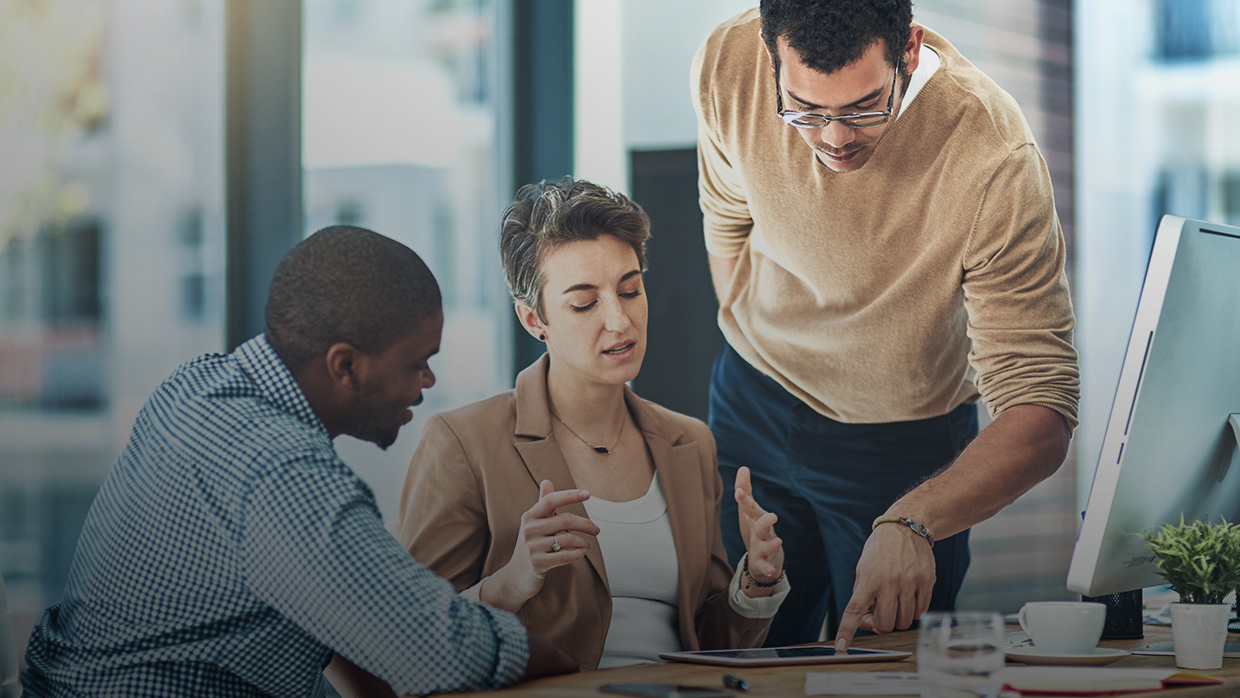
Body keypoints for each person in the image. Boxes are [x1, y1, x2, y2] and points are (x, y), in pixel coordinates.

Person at [21, 226, 575, 698]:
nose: (428, 383)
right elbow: (436, 650)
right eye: (416, 364)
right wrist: (564, 668)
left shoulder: (195, 385)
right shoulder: (281, 472)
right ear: (344, 365)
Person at [691, 0, 1080, 650]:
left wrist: (917, 521)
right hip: (751, 407)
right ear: (769, 54)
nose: (835, 137)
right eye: (807, 110)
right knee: (737, 654)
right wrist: (768, 345)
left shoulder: (992, 155)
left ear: (908, 51)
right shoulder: (729, 63)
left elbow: (1041, 409)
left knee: (886, 671)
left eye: (865, 107)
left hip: (904, 449)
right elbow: (727, 224)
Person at [397, 178, 790, 670]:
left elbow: (709, 642)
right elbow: (412, 640)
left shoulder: (689, 442)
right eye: (584, 303)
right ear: (532, 319)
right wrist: (511, 581)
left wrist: (756, 580)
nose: (620, 321)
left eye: (630, 291)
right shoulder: (463, 443)